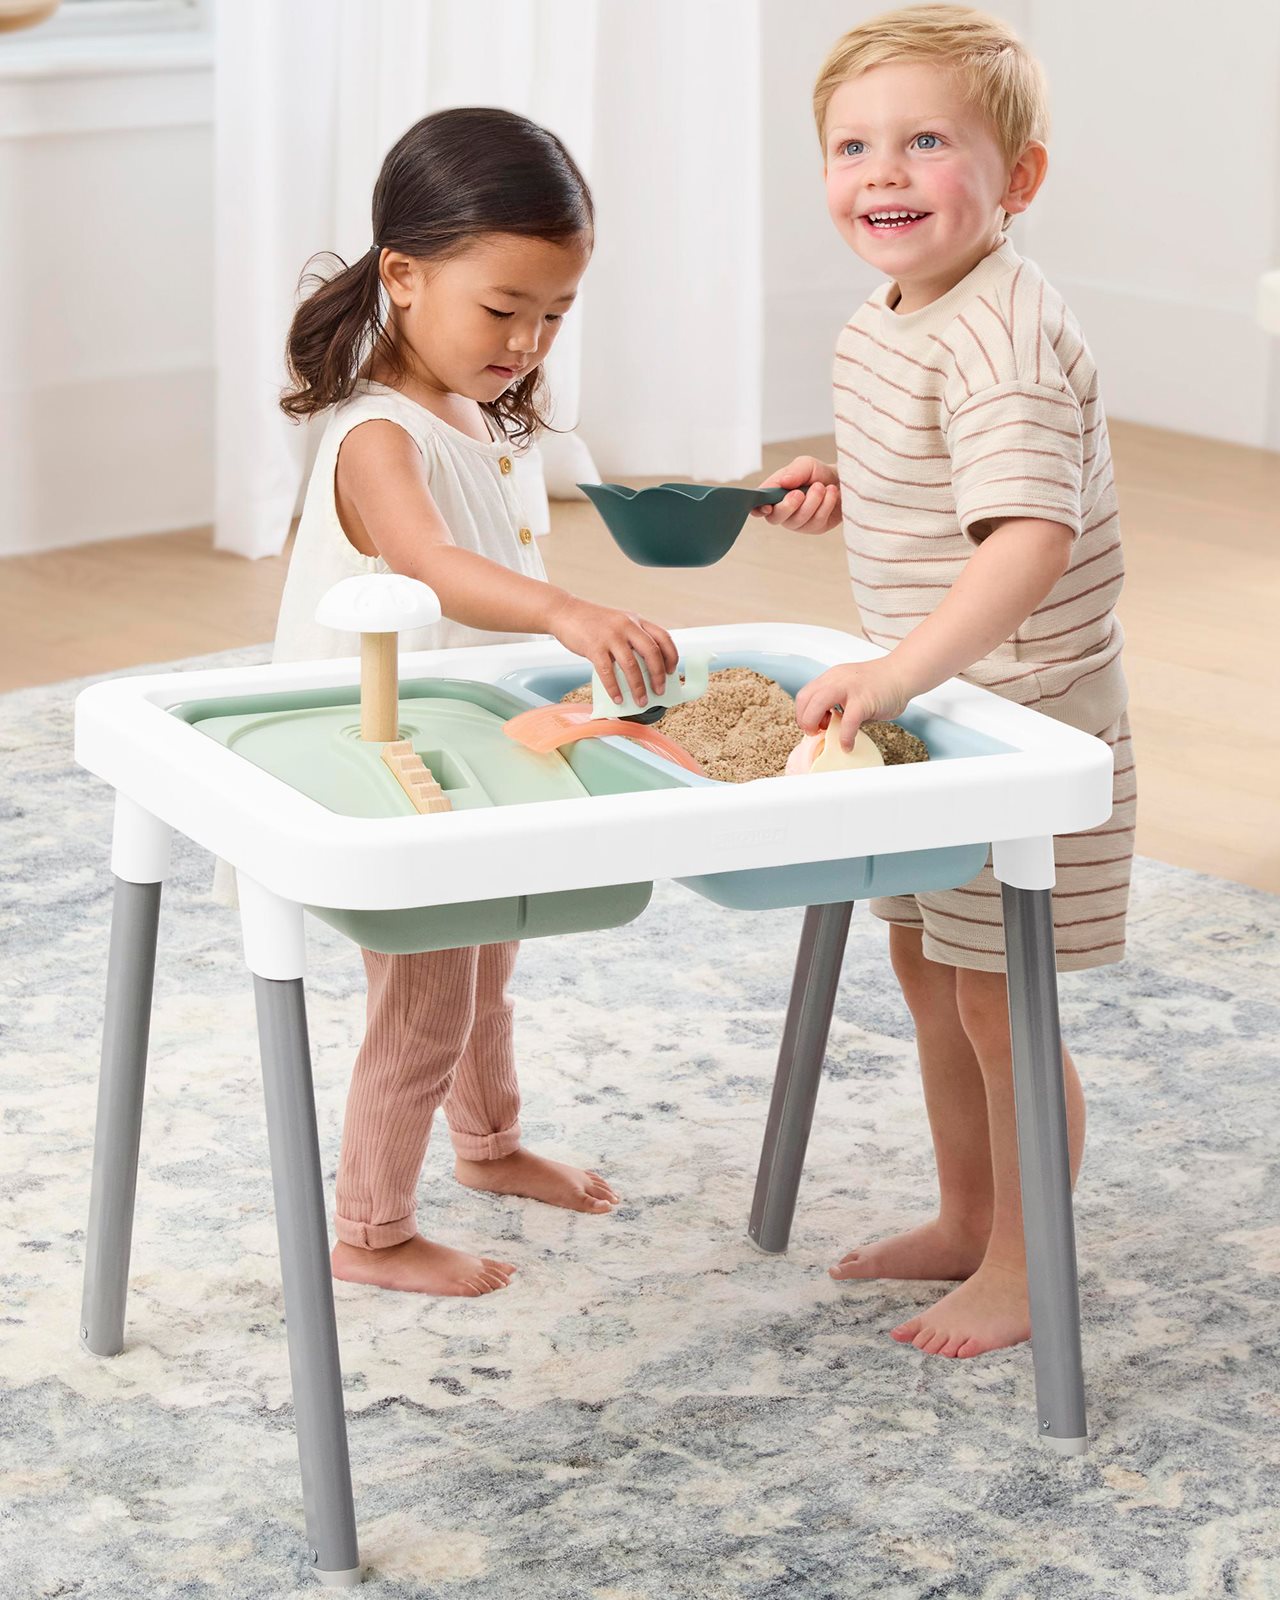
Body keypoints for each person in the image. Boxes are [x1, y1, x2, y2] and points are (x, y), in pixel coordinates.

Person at [757, 5, 1134, 1357]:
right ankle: (971, 1217)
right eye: (853, 146)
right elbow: (953, 486)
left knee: (999, 994)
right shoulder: (896, 313)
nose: (885, 173)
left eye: (927, 143)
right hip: (940, 700)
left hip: (1024, 714)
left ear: (1018, 179)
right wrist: (846, 497)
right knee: (928, 965)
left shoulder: (1005, 339)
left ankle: (1031, 1263)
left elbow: (1029, 537)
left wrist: (898, 670)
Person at [273, 107, 677, 1297]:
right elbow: (433, 564)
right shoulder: (374, 437)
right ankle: (370, 1228)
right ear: (402, 275)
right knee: (425, 1003)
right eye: (503, 310)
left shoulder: (465, 413)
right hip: (383, 769)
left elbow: (520, 509)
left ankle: (490, 1146)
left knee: (484, 968)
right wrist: (563, 615)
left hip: (467, 757)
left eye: (552, 315)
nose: (528, 340)